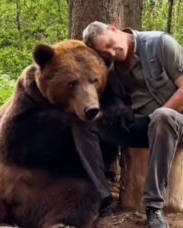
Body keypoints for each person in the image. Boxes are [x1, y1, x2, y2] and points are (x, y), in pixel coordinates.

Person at [77, 21, 183, 228]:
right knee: (84, 124)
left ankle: (154, 207)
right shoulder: (112, 71)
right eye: (104, 52)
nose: (111, 53)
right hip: (144, 126)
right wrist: (116, 110)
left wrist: (156, 116)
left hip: (176, 121)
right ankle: (103, 196)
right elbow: (111, 102)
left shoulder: (160, 44)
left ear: (114, 28)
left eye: (109, 44)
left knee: (162, 117)